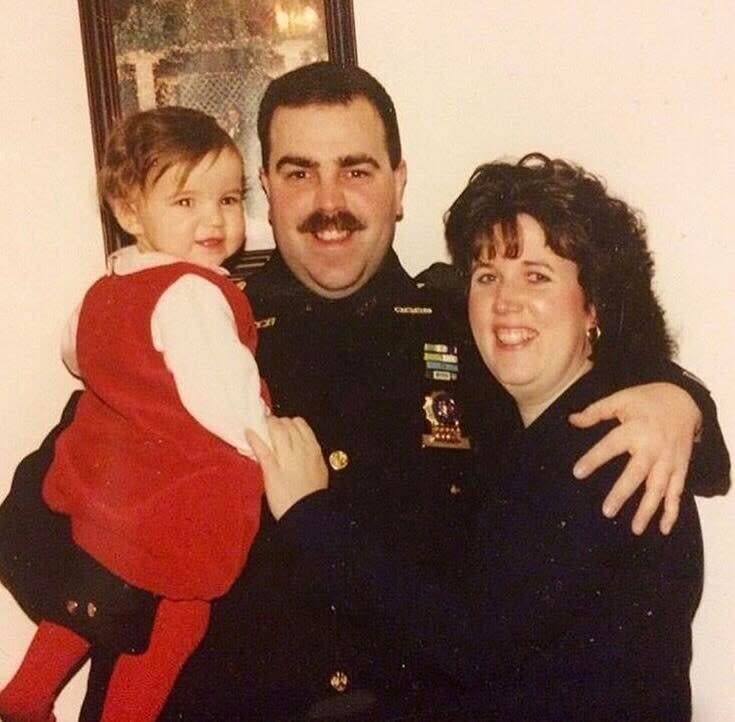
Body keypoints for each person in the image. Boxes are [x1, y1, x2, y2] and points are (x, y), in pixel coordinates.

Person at [4, 64, 728, 721]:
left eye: (355, 171)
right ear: (266, 185)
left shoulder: (473, 318)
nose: (328, 203)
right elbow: (31, 522)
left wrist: (679, 400)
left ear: (398, 181)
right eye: (298, 173)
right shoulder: (196, 332)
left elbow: (593, 382)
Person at [249, 153, 730, 721]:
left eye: (537, 276)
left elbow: (469, 643)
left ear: (593, 305)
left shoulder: (606, 447)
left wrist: (311, 515)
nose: (506, 301)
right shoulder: (539, 426)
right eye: (487, 276)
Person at [0, 106, 270, 722]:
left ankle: (26, 694)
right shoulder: (195, 293)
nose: (214, 219)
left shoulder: (106, 286)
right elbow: (223, 397)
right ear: (129, 211)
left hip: (107, 501)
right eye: (185, 202)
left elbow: (74, 351)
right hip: (179, 504)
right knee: (181, 615)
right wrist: (266, 435)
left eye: (228, 199)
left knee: (87, 601)